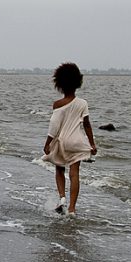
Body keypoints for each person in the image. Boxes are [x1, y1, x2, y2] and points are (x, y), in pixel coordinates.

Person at [42, 62, 97, 215]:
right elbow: (87, 125)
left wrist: (47, 144)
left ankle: (62, 199)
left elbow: (54, 126)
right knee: (74, 173)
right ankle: (72, 209)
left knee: (59, 169)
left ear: (59, 84)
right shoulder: (83, 103)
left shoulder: (58, 104)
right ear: (78, 82)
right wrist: (92, 144)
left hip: (61, 142)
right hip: (77, 141)